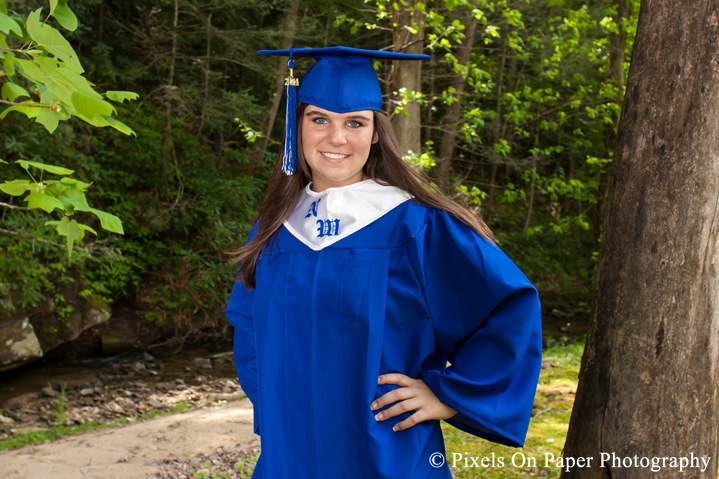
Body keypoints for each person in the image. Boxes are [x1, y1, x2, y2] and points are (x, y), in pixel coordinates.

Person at [226, 46, 542, 479]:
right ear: (296, 127)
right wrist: (277, 405)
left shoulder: (414, 224)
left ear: (376, 133)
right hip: (289, 457)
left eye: (354, 123)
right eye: (319, 119)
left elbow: (508, 306)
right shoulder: (276, 228)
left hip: (387, 454)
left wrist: (448, 396)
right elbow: (249, 326)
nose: (336, 138)